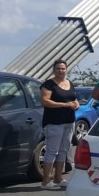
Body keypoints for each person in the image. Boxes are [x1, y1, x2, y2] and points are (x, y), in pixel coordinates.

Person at [40, 59, 80, 189]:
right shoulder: (48, 85)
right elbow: (45, 101)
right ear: (53, 70)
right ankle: (46, 180)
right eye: (58, 68)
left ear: (66, 70)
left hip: (69, 121)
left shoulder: (69, 83)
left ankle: (58, 178)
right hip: (54, 122)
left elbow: (73, 98)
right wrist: (65, 105)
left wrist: (76, 104)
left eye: (63, 68)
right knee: (52, 150)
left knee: (64, 150)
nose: (60, 71)